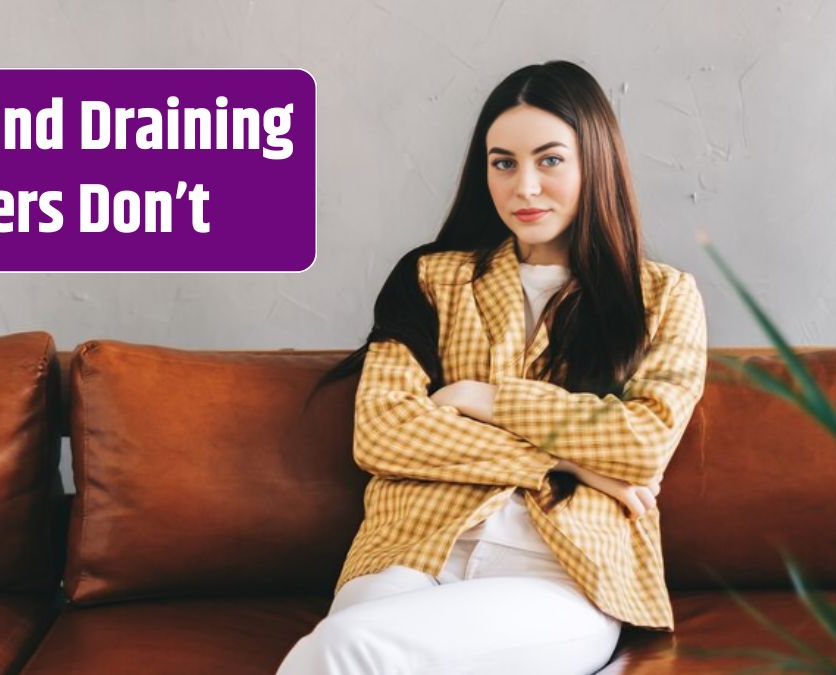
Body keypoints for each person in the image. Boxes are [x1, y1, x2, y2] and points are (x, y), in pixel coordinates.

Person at [280, 60, 709, 674]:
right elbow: (382, 429)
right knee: (343, 646)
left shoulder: (662, 298)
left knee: (344, 650)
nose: (524, 187)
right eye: (503, 162)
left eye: (550, 160)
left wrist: (483, 398)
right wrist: (566, 462)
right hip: (411, 552)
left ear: (596, 161)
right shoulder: (430, 279)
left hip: (561, 572)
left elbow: (641, 444)